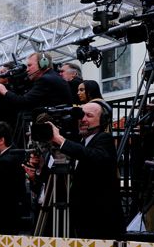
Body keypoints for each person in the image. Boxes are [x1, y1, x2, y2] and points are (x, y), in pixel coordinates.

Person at [47, 101, 124, 239]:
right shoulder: (83, 143)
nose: (83, 119)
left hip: (101, 222)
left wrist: (60, 140)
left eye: (89, 116)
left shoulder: (104, 138)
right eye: (81, 115)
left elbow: (95, 157)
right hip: (84, 220)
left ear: (102, 120)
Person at [0, 52, 73, 111]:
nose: (27, 70)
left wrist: (4, 91)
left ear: (43, 64)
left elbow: (24, 102)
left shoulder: (45, 80)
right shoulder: (52, 77)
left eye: (29, 65)